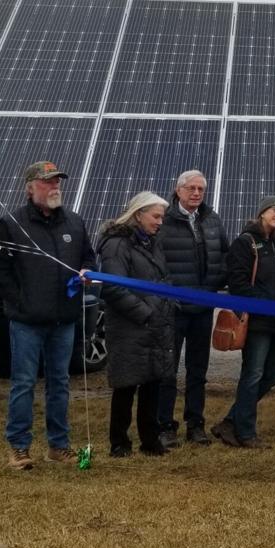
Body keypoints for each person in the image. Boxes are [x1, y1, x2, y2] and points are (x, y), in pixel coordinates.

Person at [0, 161, 96, 471]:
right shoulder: (11, 224)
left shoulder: (74, 223)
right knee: (23, 383)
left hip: (64, 320)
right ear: (31, 187)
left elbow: (88, 257)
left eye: (57, 181)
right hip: (27, 322)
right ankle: (19, 447)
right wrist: (22, 302)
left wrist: (88, 271)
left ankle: (58, 446)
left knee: (59, 382)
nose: (55, 187)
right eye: (47, 182)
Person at [97, 192, 176, 457]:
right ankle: (119, 442)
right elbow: (114, 288)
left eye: (162, 217)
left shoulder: (152, 243)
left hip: (154, 324)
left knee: (152, 382)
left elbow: (160, 278)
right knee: (126, 385)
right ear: (138, 214)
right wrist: (145, 313)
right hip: (130, 326)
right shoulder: (117, 245)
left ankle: (150, 439)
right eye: (155, 216)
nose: (160, 222)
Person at [211, 196, 275, 449]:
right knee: (253, 374)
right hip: (257, 321)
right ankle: (246, 432)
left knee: (273, 373)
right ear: (262, 212)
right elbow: (238, 283)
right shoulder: (245, 243)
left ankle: (230, 421)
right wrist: (264, 304)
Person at [156, 169, 229, 449]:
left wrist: (214, 285)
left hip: (202, 308)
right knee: (168, 370)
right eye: (191, 189)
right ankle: (165, 425)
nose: (196, 193)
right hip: (173, 309)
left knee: (198, 370)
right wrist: (168, 292)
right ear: (178, 191)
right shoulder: (164, 221)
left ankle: (195, 424)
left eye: (200, 189)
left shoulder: (211, 220)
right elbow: (155, 261)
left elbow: (225, 254)